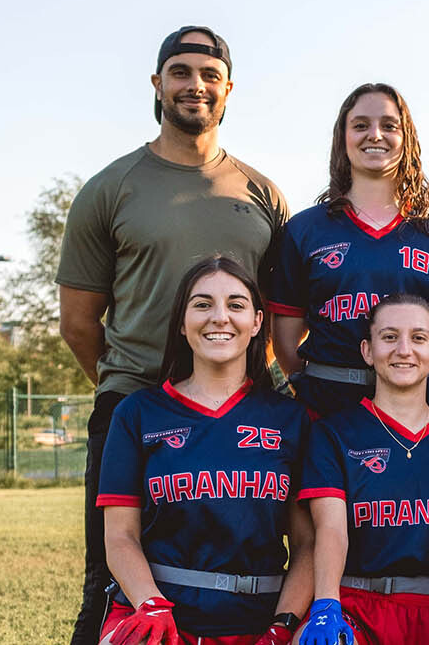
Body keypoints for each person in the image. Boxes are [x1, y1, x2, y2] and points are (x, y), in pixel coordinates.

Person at [58, 25, 290, 645]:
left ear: (229, 89)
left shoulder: (262, 193)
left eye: (210, 75)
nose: (196, 86)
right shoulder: (110, 189)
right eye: (181, 73)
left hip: (242, 415)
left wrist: (234, 384)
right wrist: (132, 391)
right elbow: (78, 322)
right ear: (158, 84)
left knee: (246, 577)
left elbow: (273, 311)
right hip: (133, 406)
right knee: (110, 582)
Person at [95, 256, 312, 645]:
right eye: (202, 304)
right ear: (182, 322)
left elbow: (307, 545)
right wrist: (150, 605)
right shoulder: (137, 413)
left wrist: (283, 626)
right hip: (160, 617)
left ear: (257, 322)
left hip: (257, 623)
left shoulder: (291, 419)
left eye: (235, 304)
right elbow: (119, 537)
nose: (219, 317)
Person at [266, 83, 429, 420]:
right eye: (360, 125)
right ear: (342, 138)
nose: (375, 135)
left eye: (389, 125)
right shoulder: (304, 231)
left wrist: (405, 388)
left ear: (408, 140)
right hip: (327, 408)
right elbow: (286, 345)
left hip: (415, 410)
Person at [298, 295, 429, 645]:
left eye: (418, 338)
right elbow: (330, 530)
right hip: (352, 606)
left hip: (428, 609)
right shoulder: (333, 433)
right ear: (367, 350)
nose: (404, 349)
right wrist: (326, 604)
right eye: (389, 337)